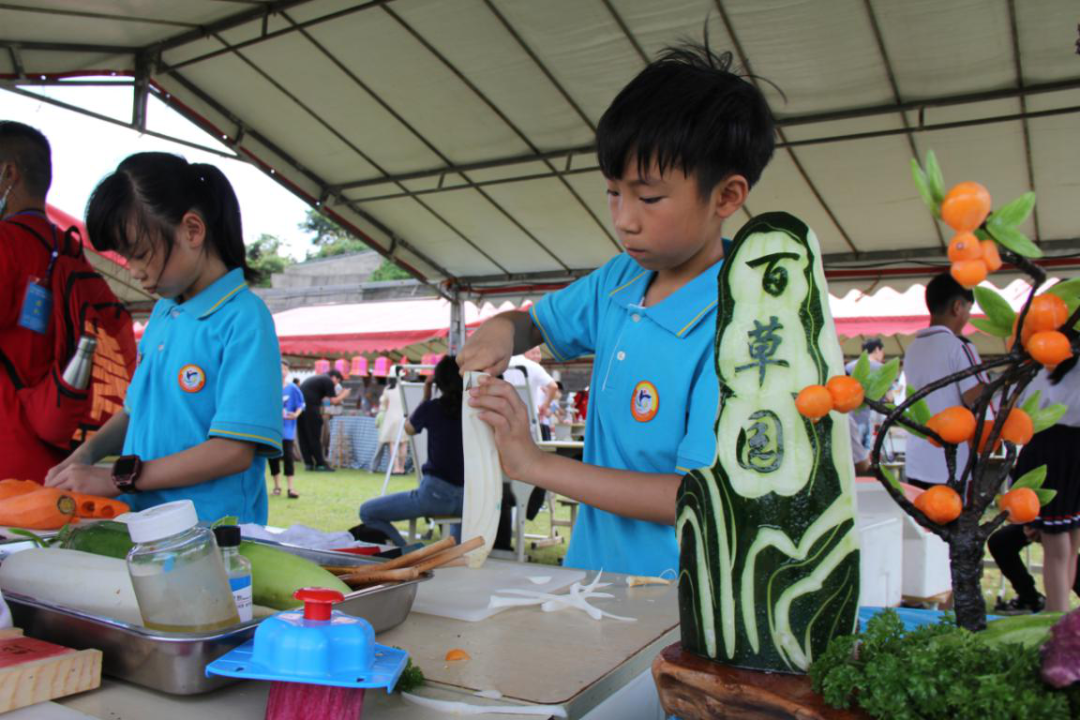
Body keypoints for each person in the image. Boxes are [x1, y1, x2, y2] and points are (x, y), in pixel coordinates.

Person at [459, 42, 774, 576]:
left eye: (648, 199)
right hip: (590, 576)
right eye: (612, 192)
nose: (625, 219)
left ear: (726, 196)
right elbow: (533, 322)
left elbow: (695, 497)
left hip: (678, 605)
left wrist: (535, 464)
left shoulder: (739, 328)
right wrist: (500, 329)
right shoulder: (620, 279)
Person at [45, 152, 281, 524]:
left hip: (211, 535)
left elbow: (233, 451)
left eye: (139, 254)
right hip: (141, 524)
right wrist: (84, 456)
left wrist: (118, 477)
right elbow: (133, 411)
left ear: (192, 230)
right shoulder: (164, 312)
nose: (135, 272)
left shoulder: (244, 318)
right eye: (126, 258)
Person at [0, 122, 136, 482]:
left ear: (8, 173)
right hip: (63, 456)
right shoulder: (71, 250)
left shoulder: (5, 244)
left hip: (7, 458)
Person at [358, 355, 464, 546]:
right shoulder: (474, 411)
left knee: (367, 511)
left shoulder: (433, 408)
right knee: (457, 548)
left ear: (437, 381)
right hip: (469, 497)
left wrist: (425, 397)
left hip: (435, 494)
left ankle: (407, 550)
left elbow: (409, 428)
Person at [903, 273, 989, 490]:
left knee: (921, 523)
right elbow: (977, 396)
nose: (968, 316)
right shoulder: (959, 347)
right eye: (969, 310)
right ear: (957, 307)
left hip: (917, 459)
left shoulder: (913, 349)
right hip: (951, 463)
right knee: (953, 522)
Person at [1007, 355, 1080, 612]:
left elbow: (1018, 406)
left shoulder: (1039, 364)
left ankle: (1056, 618)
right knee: (1069, 539)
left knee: (1058, 543)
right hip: (1069, 449)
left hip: (1049, 448)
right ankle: (1061, 616)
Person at [988, 523, 1080, 613]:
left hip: (1059, 517)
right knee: (1000, 542)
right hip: (1047, 517)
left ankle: (1055, 610)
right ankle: (1031, 600)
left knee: (1060, 553)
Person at [297, 369, 349, 471]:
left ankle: (309, 463)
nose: (336, 385)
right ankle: (320, 464)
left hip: (300, 409)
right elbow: (334, 401)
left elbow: (325, 398)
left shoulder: (318, 379)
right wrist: (345, 394)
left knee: (304, 436)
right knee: (314, 436)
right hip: (311, 410)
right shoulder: (327, 380)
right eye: (337, 382)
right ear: (334, 377)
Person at [505, 347, 559, 441]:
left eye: (538, 353)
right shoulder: (533, 366)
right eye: (533, 353)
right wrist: (545, 406)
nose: (536, 356)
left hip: (505, 416)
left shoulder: (501, 365)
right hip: (530, 419)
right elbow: (553, 387)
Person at [269, 359, 304, 499]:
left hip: (288, 430)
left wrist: (295, 414)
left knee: (288, 457)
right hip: (272, 429)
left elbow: (301, 405)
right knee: (273, 457)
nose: (282, 372)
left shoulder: (293, 388)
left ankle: (291, 488)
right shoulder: (270, 387)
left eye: (284, 369)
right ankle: (277, 487)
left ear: (288, 371)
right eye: (279, 369)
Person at [372, 376, 408, 474]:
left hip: (391, 417)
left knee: (393, 443)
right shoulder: (404, 386)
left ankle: (396, 468)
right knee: (404, 443)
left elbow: (384, 405)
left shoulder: (387, 389)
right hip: (404, 417)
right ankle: (402, 468)